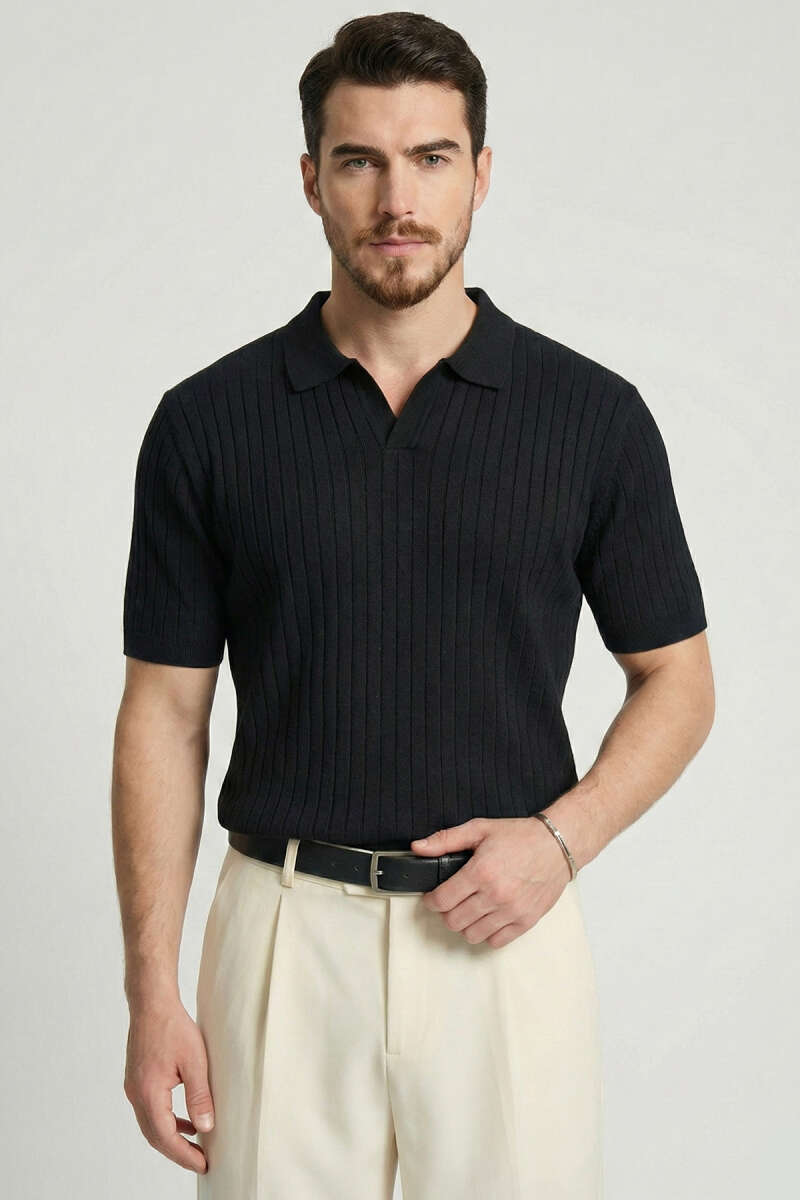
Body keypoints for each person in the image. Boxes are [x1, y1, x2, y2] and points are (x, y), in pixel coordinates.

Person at [112, 12, 715, 1199]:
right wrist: (149, 991)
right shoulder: (207, 424)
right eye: (360, 161)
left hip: (505, 938)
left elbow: (677, 681)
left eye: (431, 158)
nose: (398, 199)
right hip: (281, 939)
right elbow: (163, 714)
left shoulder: (590, 418)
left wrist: (562, 841)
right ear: (310, 180)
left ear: (480, 174)